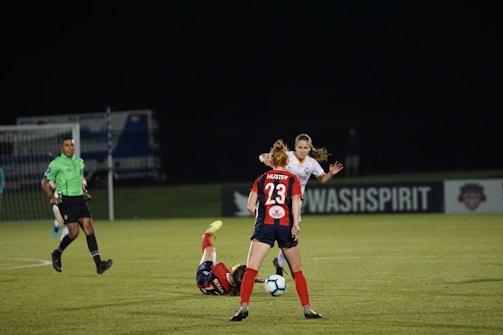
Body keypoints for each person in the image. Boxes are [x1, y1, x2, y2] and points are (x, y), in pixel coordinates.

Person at [231, 139, 322, 321]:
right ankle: (307, 309)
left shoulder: (261, 179)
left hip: (264, 226)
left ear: (272, 162)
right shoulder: (293, 179)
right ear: (287, 162)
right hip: (285, 227)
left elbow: (250, 206)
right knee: (297, 271)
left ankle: (243, 308)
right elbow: (296, 202)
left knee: (251, 270)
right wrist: (296, 224)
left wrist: (260, 220)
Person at [259, 133, 344, 276]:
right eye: (300, 147)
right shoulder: (286, 156)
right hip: (280, 201)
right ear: (295, 147)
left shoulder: (311, 163)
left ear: (310, 148)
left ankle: (279, 263)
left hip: (295, 202)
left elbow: (323, 179)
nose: (302, 150)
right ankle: (268, 261)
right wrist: (265, 158)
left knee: (292, 234)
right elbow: (263, 156)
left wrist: (331, 173)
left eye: (305, 148)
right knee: (276, 231)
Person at [41, 136, 112, 275]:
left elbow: (80, 180)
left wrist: (84, 192)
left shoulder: (79, 162)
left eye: (72, 145)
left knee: (89, 229)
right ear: (62, 148)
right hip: (65, 201)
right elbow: (45, 182)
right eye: (67, 145)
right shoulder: (56, 163)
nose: (70, 147)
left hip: (80, 200)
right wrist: (52, 197)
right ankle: (57, 253)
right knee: (74, 233)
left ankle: (99, 265)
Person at [197, 220, 264, 296]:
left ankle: (207, 234)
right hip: (206, 289)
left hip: (202, 277)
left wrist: (232, 270)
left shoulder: (219, 269)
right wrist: (252, 279)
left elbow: (216, 264)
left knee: (210, 250)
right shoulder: (235, 291)